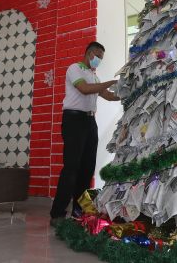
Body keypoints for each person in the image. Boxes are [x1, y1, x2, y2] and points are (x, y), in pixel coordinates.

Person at [50, 41, 120, 226]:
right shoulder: (75, 68)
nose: (98, 60)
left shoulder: (94, 76)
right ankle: (57, 212)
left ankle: (78, 210)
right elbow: (84, 89)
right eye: (97, 56)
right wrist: (112, 82)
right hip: (74, 120)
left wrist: (127, 91)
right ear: (89, 53)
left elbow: (108, 95)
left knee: (87, 167)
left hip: (90, 122)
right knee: (72, 167)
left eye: (101, 58)